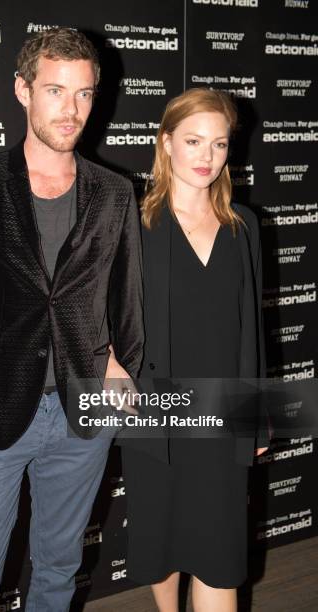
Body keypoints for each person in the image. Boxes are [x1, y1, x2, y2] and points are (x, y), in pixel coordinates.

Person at [0, 28, 143, 612]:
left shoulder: (115, 192)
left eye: (84, 94)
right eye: (55, 90)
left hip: (81, 416)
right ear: (23, 90)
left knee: (59, 568)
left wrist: (122, 362)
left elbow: (124, 299)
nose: (70, 110)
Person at [121, 88, 269, 612]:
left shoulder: (243, 226)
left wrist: (258, 419)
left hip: (223, 414)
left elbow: (253, 329)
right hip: (154, 411)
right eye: (193, 141)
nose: (206, 157)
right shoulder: (133, 221)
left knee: (219, 554)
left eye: (220, 144)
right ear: (166, 143)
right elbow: (96, 315)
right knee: (161, 544)